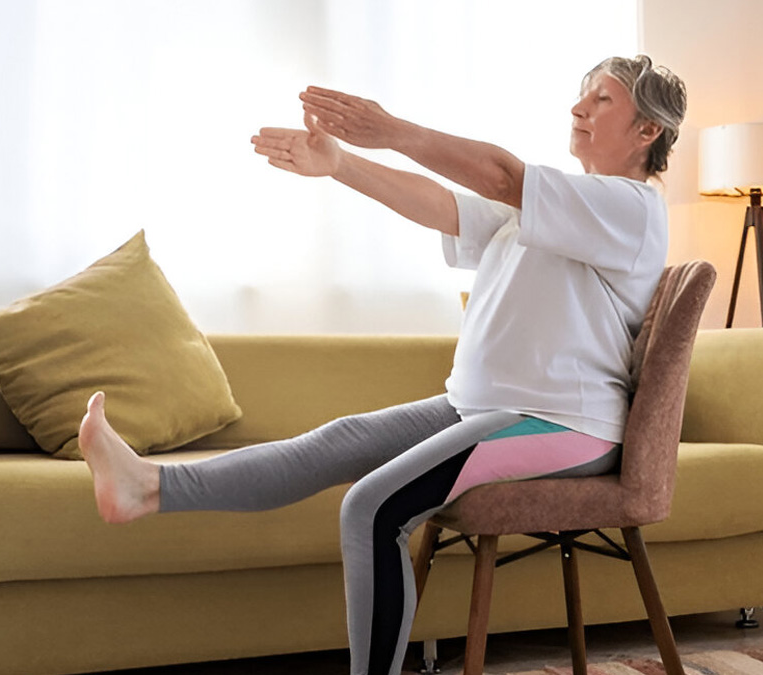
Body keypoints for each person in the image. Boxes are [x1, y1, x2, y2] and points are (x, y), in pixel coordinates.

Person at [78, 54, 686, 675]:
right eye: (583, 96)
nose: (579, 108)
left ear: (648, 130)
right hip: (481, 409)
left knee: (371, 507)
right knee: (336, 442)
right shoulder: (557, 207)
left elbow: (503, 176)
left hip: (564, 425)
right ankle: (146, 487)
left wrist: (392, 131)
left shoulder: (630, 208)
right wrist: (340, 164)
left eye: (602, 100)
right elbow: (444, 206)